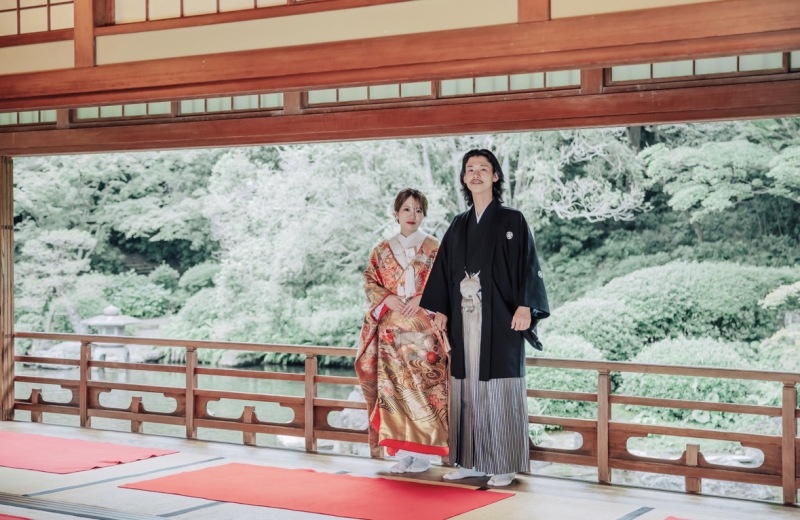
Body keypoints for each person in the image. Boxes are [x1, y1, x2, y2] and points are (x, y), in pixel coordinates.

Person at [420, 149, 549, 487]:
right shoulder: (459, 225)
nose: (475, 174)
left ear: (495, 176)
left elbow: (528, 265)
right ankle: (471, 460)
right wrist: (442, 310)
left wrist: (526, 306)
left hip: (501, 320)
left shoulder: (512, 220)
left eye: (483, 169)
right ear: (464, 178)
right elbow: (444, 272)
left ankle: (503, 463)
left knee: (500, 391)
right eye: (469, 169)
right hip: (465, 321)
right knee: (467, 390)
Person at [355, 188, 450, 474]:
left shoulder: (435, 247)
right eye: (406, 209)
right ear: (396, 213)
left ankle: (424, 453)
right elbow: (370, 282)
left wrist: (424, 297)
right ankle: (405, 452)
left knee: (425, 390)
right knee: (394, 391)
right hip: (392, 333)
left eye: (418, 210)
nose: (412, 215)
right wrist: (387, 298)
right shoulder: (382, 250)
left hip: (424, 329)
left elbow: (447, 280)